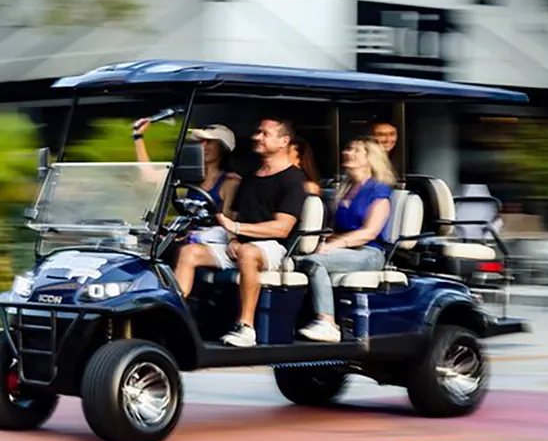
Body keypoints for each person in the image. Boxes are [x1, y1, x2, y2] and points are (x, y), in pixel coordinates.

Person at [174, 118, 308, 348]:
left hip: (273, 247)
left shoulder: (293, 179)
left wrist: (237, 231)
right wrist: (233, 238)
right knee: (189, 252)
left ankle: (246, 326)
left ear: (284, 141)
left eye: (265, 134)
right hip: (242, 242)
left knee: (247, 252)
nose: (257, 137)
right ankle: (176, 318)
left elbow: (282, 227)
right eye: (258, 132)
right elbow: (236, 217)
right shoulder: (252, 177)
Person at [296, 136, 396, 343]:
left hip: (369, 252)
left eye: (356, 150)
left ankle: (328, 323)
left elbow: (369, 232)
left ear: (370, 159)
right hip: (346, 249)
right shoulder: (344, 190)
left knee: (314, 263)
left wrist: (334, 245)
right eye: (348, 149)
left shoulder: (378, 190)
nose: (347, 153)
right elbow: (336, 229)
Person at [133, 119, 241, 216]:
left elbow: (229, 223)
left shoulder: (230, 182)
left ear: (223, 147)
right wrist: (138, 137)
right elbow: (148, 177)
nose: (203, 146)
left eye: (209, 142)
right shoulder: (189, 173)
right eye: (200, 141)